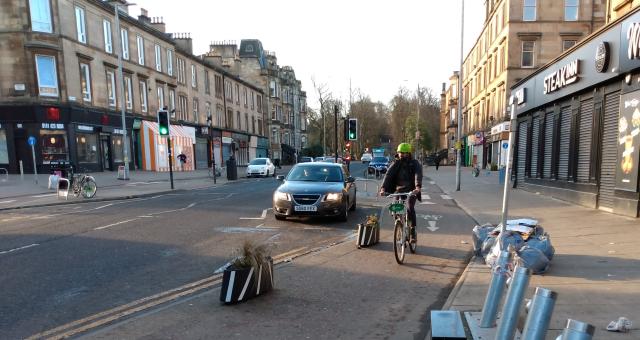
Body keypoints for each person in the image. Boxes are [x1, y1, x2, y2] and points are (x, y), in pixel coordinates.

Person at [380, 143, 423, 243]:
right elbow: (388, 175)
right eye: (400, 153)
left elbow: (418, 174)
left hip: (412, 190)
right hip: (399, 190)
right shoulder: (395, 163)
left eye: (404, 153)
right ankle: (399, 225)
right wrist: (383, 188)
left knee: (409, 207)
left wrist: (418, 187)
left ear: (408, 153)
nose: (401, 155)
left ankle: (412, 232)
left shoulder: (414, 163)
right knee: (395, 207)